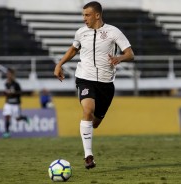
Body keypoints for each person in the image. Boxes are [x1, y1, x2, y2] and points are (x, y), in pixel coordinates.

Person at [54, 1, 134, 169]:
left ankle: (89, 137)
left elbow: (130, 54)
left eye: (87, 15)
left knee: (95, 122)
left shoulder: (113, 32)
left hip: (106, 84)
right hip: (85, 78)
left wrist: (119, 58)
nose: (84, 19)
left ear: (97, 15)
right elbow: (74, 49)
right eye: (83, 15)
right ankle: (88, 156)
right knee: (87, 110)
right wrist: (59, 64)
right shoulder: (81, 33)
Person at [2, 68, 28, 138]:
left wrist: (13, 93)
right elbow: (5, 93)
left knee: (17, 119)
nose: (8, 75)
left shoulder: (16, 84)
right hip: (8, 103)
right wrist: (6, 93)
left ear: (12, 75)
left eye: (10, 74)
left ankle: (24, 118)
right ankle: (7, 132)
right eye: (7, 74)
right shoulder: (6, 84)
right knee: (7, 116)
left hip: (15, 104)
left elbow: (20, 93)